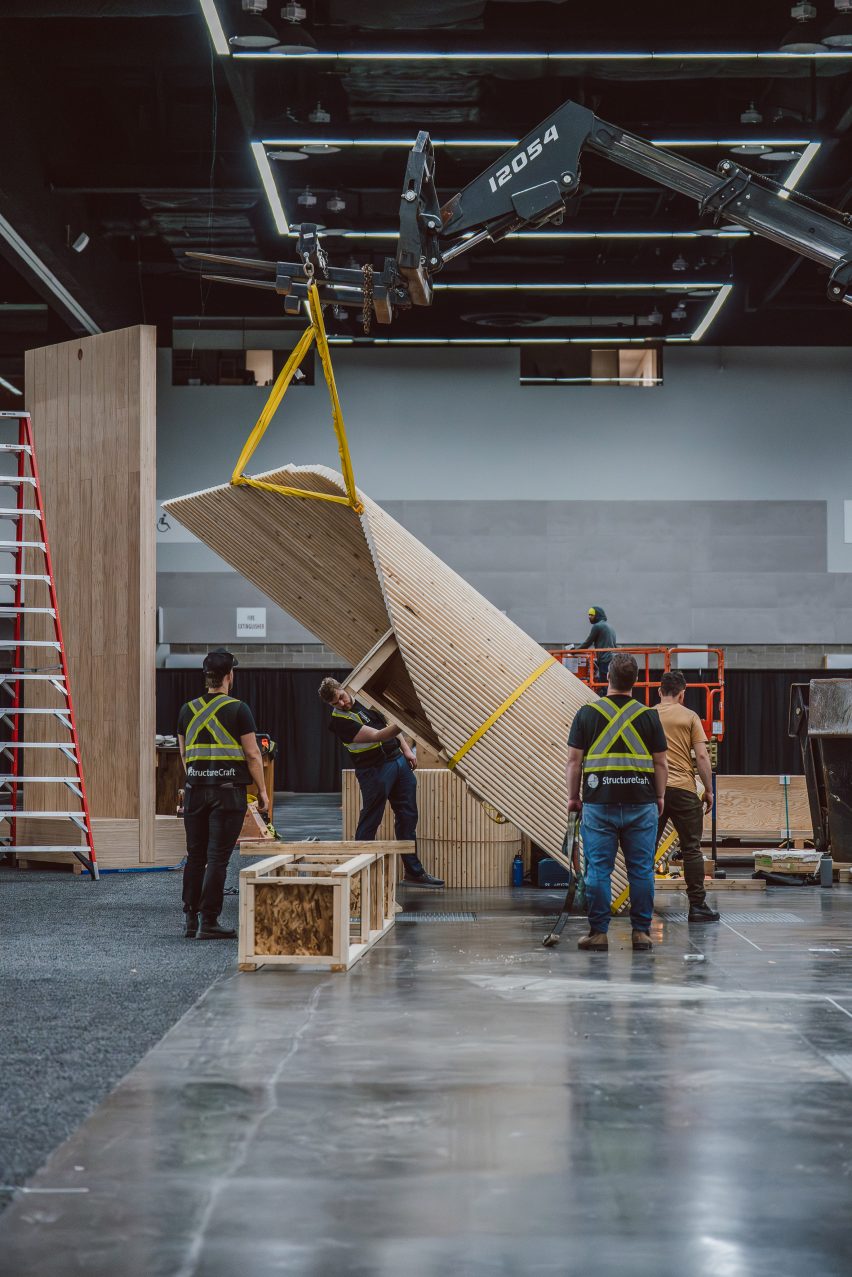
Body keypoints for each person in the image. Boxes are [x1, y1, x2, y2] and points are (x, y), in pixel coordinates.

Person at [565, 651, 668, 952]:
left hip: (599, 804)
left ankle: (598, 933)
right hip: (641, 803)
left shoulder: (587, 713)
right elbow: (661, 763)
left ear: (607, 677)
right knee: (641, 870)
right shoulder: (649, 716)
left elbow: (573, 762)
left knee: (598, 870)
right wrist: (660, 796)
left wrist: (573, 797)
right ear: (635, 680)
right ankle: (641, 933)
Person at [177, 648, 269, 939]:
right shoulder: (238, 709)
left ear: (206, 677)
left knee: (195, 856)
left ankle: (190, 919)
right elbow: (252, 755)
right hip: (227, 794)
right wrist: (263, 792)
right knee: (217, 858)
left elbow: (184, 754)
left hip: (195, 791)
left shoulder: (186, 710)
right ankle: (209, 921)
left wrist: (198, 778)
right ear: (230, 675)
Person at [318, 677, 444, 887]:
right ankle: (358, 874)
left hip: (397, 761)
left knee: (408, 816)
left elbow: (386, 722)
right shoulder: (339, 722)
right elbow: (379, 735)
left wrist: (406, 750)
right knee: (370, 820)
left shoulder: (365, 699)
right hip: (374, 771)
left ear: (343, 688)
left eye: (341, 697)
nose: (341, 704)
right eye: (335, 703)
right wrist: (407, 720)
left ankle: (413, 873)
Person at [656, 670, 720, 924]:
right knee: (691, 849)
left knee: (645, 850)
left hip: (654, 791)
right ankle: (697, 907)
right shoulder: (690, 716)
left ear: (659, 692)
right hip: (684, 789)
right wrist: (709, 790)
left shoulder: (648, 715)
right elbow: (702, 757)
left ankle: (641, 905)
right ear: (682, 694)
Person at [577, 605, 617, 685]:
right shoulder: (610, 626)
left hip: (604, 659)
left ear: (598, 615)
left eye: (591, 615)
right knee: (610, 683)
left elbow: (588, 642)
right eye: (589, 615)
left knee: (604, 684)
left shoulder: (597, 626)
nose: (589, 617)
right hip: (613, 659)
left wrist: (574, 650)